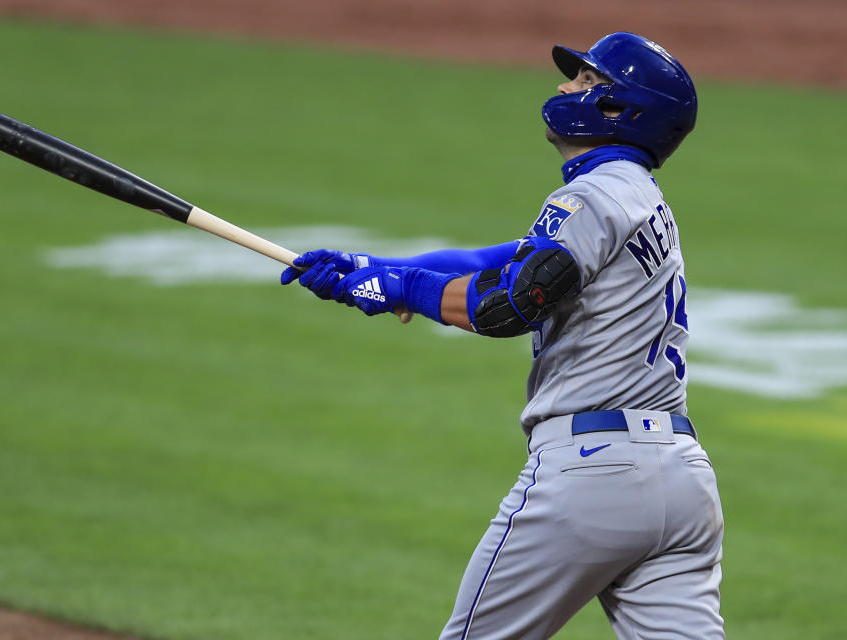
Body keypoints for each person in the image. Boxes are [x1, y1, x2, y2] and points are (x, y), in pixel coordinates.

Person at [281, 32, 724, 640]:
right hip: (681, 483)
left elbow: (507, 303)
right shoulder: (637, 198)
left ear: (621, 110)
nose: (567, 87)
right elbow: (500, 261)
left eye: (588, 82)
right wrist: (370, 269)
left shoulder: (595, 194)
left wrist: (401, 288)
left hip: (593, 474)